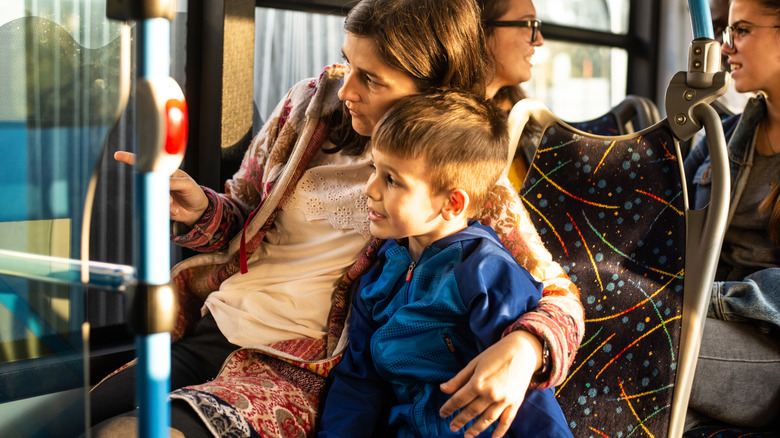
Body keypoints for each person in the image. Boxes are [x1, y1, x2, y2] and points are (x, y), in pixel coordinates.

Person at [91, 0, 584, 437]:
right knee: (62, 420)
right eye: (350, 62)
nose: (345, 87)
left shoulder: (457, 181)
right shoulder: (310, 105)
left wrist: (524, 349)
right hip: (216, 325)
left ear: (428, 91)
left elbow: (560, 298)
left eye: (370, 78)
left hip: (298, 367)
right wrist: (199, 208)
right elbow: (241, 211)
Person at [319, 90, 572, 437]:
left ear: (452, 203)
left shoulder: (486, 274)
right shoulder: (378, 274)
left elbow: (527, 398)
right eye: (375, 169)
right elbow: (359, 383)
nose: (370, 188)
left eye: (392, 180)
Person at [684, 0, 780, 429]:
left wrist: (709, 298)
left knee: (637, 333)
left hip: (769, 344)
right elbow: (670, 235)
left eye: (740, 30)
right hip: (706, 316)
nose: (726, 48)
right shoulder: (719, 138)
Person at [479, 0, 546, 188]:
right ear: (481, 29)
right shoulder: (450, 133)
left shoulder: (521, 119)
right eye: (528, 24)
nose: (539, 40)